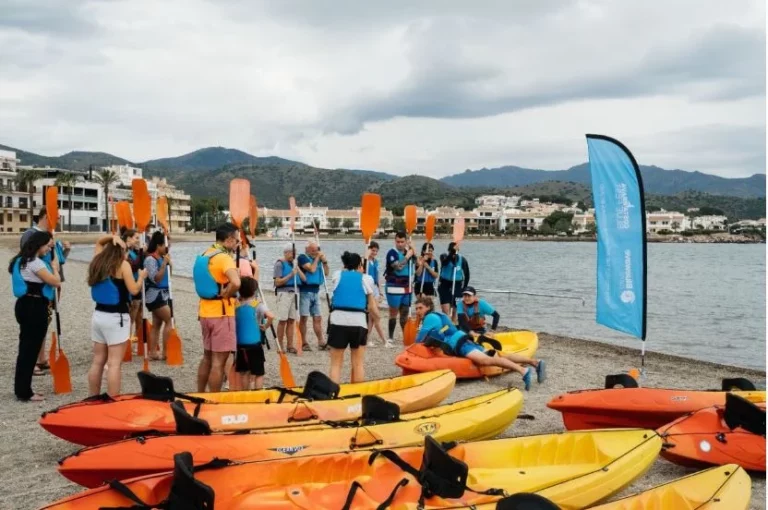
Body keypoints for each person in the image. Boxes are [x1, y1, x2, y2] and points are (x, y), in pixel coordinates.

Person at [413, 296, 545, 391]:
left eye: (420, 308)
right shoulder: (438, 315)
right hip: (463, 340)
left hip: (460, 345)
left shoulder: (430, 317)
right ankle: (535, 363)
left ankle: (523, 370)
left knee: (486, 360)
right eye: (416, 308)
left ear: (428, 307)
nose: (418, 311)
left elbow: (419, 339)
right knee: (498, 356)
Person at [88, 234, 147, 396]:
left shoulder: (97, 261)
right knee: (114, 363)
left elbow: (99, 241)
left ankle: (93, 397)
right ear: (121, 252)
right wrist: (141, 277)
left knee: (98, 360)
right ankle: (113, 401)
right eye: (126, 251)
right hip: (116, 318)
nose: (127, 254)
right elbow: (134, 290)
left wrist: (111, 237)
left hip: (98, 316)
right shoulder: (123, 265)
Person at [9, 231, 61, 402]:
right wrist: (55, 268)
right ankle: (25, 392)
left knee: (25, 347)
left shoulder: (20, 260)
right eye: (47, 246)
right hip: (34, 306)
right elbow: (55, 282)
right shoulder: (35, 263)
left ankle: (21, 388)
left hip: (23, 305)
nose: (48, 249)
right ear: (39, 245)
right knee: (30, 350)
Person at [20, 207, 71, 374]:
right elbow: (28, 256)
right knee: (34, 325)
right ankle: (33, 361)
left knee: (45, 322)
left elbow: (57, 261)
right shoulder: (31, 234)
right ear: (44, 216)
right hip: (40, 285)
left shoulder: (52, 236)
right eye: (55, 217)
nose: (57, 220)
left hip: (53, 284)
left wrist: (65, 250)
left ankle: (41, 358)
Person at [193, 223, 241, 392]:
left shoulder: (205, 254)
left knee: (207, 357)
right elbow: (236, 282)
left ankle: (200, 393)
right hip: (221, 315)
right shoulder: (224, 258)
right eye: (236, 241)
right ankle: (214, 398)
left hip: (205, 312)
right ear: (228, 239)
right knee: (219, 362)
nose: (237, 245)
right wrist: (228, 294)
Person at [328, 251, 379, 383]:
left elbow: (344, 272)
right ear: (359, 266)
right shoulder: (366, 279)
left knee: (336, 364)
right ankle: (358, 395)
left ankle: (333, 395)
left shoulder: (337, 275)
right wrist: (377, 318)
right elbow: (372, 306)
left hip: (338, 322)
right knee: (358, 364)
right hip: (358, 323)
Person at [234, 277, 274, 390]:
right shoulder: (258, 305)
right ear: (254, 291)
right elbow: (271, 316)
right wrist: (265, 326)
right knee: (258, 373)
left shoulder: (236, 306)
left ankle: (246, 395)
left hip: (240, 345)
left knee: (244, 372)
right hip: (255, 345)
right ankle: (257, 394)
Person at [272, 242, 306, 354]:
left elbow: (304, 279)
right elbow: (277, 282)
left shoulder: (294, 264)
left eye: (295, 253)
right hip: (284, 293)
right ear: (286, 253)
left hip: (295, 292)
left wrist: (297, 269)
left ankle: (290, 345)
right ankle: (279, 345)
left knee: (291, 320)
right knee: (282, 320)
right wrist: (291, 275)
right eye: (292, 253)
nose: (294, 255)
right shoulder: (279, 264)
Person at [144, 231, 172, 361]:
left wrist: (168, 263)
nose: (166, 248)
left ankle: (153, 352)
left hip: (162, 294)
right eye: (164, 245)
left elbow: (168, 276)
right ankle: (166, 352)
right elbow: (156, 278)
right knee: (169, 320)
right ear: (158, 246)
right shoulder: (150, 259)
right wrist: (163, 264)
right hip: (154, 295)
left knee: (157, 324)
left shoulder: (162, 257)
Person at [383, 231, 414, 348]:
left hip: (407, 287)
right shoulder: (391, 253)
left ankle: (406, 336)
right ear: (395, 241)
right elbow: (399, 267)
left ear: (406, 242)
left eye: (402, 242)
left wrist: (412, 250)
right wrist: (407, 256)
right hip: (394, 287)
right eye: (398, 242)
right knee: (393, 313)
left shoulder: (409, 252)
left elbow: (415, 265)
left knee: (404, 314)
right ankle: (390, 337)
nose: (400, 244)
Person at [297, 241, 330, 351]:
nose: (315, 252)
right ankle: (304, 342)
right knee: (304, 317)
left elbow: (326, 273)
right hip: (305, 292)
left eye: (316, 250)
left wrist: (324, 262)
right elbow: (311, 269)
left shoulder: (319, 260)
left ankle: (321, 341)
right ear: (307, 249)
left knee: (317, 317)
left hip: (316, 291)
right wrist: (317, 258)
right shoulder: (302, 257)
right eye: (313, 250)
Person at [120, 228, 142, 345]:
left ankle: (133, 335)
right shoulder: (124, 251)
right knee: (131, 314)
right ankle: (126, 337)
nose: (138, 240)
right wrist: (142, 253)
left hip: (136, 283)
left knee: (137, 312)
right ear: (128, 238)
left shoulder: (134, 250)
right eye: (136, 238)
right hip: (129, 285)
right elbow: (132, 266)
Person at [438, 241, 471, 320]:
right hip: (444, 285)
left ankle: (454, 325)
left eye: (455, 252)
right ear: (449, 251)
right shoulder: (444, 256)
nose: (453, 254)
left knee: (455, 311)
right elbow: (445, 263)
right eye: (451, 252)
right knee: (446, 310)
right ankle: (447, 325)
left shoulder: (462, 260)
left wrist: (464, 288)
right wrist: (452, 254)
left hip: (457, 285)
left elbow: (467, 274)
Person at [365, 241, 387, 345]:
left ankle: (367, 338)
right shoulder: (364, 260)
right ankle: (384, 340)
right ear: (369, 249)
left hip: (375, 288)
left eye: (376, 251)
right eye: (372, 250)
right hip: (367, 288)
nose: (374, 253)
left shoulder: (376, 261)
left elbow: (378, 277)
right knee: (374, 315)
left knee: (372, 317)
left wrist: (381, 291)